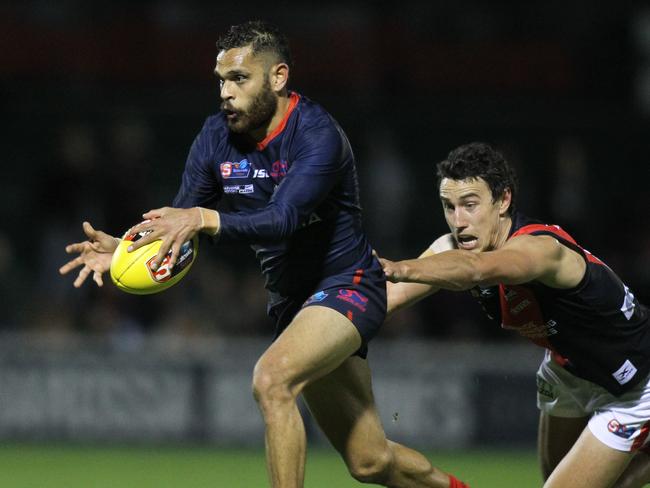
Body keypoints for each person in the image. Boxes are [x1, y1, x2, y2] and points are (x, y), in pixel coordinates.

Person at [59, 20, 469, 488]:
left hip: (346, 285)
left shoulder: (317, 134)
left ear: (278, 77)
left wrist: (203, 219)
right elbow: (181, 219)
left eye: (239, 79)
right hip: (294, 305)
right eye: (220, 80)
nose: (225, 93)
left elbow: (283, 218)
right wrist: (126, 247)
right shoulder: (214, 138)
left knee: (272, 381)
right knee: (370, 461)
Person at [380, 142, 650, 488]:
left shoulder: (540, 249)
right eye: (449, 207)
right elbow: (389, 299)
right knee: (552, 477)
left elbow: (477, 270)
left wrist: (401, 266)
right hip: (569, 369)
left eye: (470, 205)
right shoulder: (454, 248)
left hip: (635, 381)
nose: (459, 221)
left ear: (503, 200)